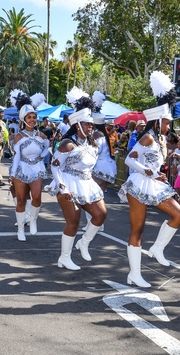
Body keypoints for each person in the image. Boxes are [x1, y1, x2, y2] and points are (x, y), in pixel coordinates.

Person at [119, 72, 180, 287]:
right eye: (167, 122)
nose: (169, 126)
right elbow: (129, 159)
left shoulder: (161, 139)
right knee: (137, 229)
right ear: (158, 121)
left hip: (155, 184)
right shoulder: (147, 137)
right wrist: (148, 171)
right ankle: (134, 274)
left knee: (179, 214)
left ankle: (157, 248)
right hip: (139, 184)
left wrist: (159, 173)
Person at [48, 88, 107, 270]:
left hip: (87, 184)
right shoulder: (68, 144)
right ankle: (64, 257)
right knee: (73, 221)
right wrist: (63, 187)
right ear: (78, 124)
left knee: (100, 214)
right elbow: (54, 165)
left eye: (91, 125)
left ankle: (84, 242)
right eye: (87, 124)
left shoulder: (93, 143)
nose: (91, 127)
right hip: (68, 183)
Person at [9, 90, 49, 240]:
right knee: (21, 199)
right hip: (21, 169)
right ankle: (20, 229)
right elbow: (17, 157)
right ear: (23, 119)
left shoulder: (41, 135)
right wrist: (12, 174)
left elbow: (48, 147)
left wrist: (41, 157)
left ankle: (33, 220)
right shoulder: (18, 137)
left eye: (34, 117)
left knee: (37, 196)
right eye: (29, 117)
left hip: (37, 168)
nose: (32, 120)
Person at [91, 91, 117, 191]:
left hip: (100, 166)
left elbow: (97, 151)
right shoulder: (103, 133)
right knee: (100, 193)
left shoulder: (96, 134)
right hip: (109, 166)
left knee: (92, 191)